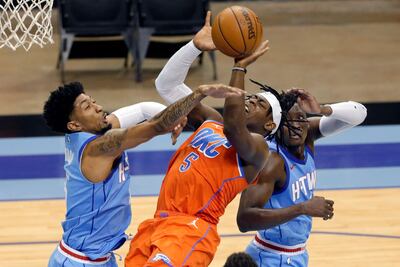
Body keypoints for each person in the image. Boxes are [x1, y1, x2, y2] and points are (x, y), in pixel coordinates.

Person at [125, 12, 300, 267]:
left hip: (191, 228)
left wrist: (239, 66)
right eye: (249, 96)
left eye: (260, 102)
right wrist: (194, 47)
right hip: (159, 221)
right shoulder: (211, 120)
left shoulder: (258, 150)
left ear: (269, 124)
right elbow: (167, 86)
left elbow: (233, 127)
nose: (250, 99)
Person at [43, 81, 243, 267]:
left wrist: (174, 118)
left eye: (93, 101)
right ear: (74, 125)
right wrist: (199, 93)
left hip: (100, 258)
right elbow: (156, 126)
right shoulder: (98, 148)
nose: (98, 108)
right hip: (79, 261)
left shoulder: (91, 132)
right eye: (87, 107)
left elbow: (142, 110)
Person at [237, 85, 367, 266]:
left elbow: (360, 113)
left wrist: (322, 110)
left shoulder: (307, 135)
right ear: (275, 126)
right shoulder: (272, 161)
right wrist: (303, 208)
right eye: (288, 122)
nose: (296, 126)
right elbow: (244, 220)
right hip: (272, 257)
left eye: (300, 118)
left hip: (295, 254)